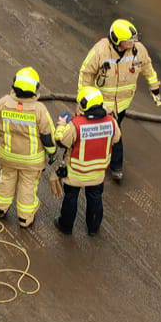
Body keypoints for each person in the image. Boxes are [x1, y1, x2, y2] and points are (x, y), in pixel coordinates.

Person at [77, 19, 161, 183]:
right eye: (129, 40)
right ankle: (116, 167)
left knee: (109, 131)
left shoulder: (138, 51)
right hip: (102, 103)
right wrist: (83, 101)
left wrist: (154, 87)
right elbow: (86, 74)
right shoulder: (100, 51)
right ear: (117, 41)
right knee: (114, 132)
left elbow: (148, 68)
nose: (133, 42)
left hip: (123, 103)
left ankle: (101, 161)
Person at [0, 67, 57, 227]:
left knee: (6, 180)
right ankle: (25, 218)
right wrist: (52, 154)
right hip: (31, 161)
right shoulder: (39, 110)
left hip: (8, 155)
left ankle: (0, 209)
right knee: (28, 186)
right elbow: (48, 137)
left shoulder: (3, 103)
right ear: (35, 89)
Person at [54, 86, 116, 235]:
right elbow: (116, 138)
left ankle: (66, 226)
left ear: (83, 105)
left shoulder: (76, 125)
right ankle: (93, 228)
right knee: (95, 199)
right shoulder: (111, 122)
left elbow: (62, 141)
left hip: (76, 172)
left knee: (71, 198)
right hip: (97, 173)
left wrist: (62, 126)